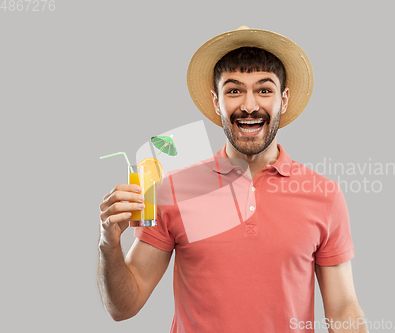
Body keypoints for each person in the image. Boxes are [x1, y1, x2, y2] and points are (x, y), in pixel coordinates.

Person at [98, 26, 368, 333]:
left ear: (284, 99)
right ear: (216, 101)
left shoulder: (323, 195)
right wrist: (109, 244)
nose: (250, 105)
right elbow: (123, 307)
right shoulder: (173, 189)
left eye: (264, 90)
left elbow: (343, 307)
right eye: (234, 90)